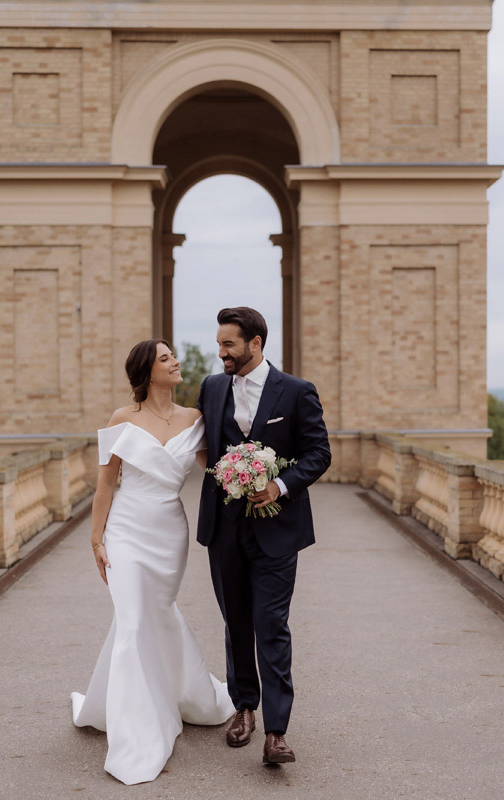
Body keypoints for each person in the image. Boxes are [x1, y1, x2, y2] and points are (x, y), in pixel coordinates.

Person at [71, 339, 235, 785]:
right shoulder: (122, 420)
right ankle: (138, 735)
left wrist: (249, 472)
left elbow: (215, 471)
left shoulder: (194, 420)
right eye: (165, 358)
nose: (175, 361)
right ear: (147, 371)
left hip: (168, 531)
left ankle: (173, 694)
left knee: (155, 614)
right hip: (126, 529)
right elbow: (105, 485)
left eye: (172, 356)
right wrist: (96, 539)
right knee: (132, 621)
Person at [196, 307, 331, 765]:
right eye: (219, 344)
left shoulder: (295, 392)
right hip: (224, 529)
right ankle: (244, 709)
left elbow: (318, 453)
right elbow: (204, 447)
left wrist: (280, 485)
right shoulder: (212, 388)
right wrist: (224, 475)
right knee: (236, 623)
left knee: (270, 625)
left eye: (229, 344)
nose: (221, 353)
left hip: (277, 530)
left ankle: (277, 731)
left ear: (256, 343)